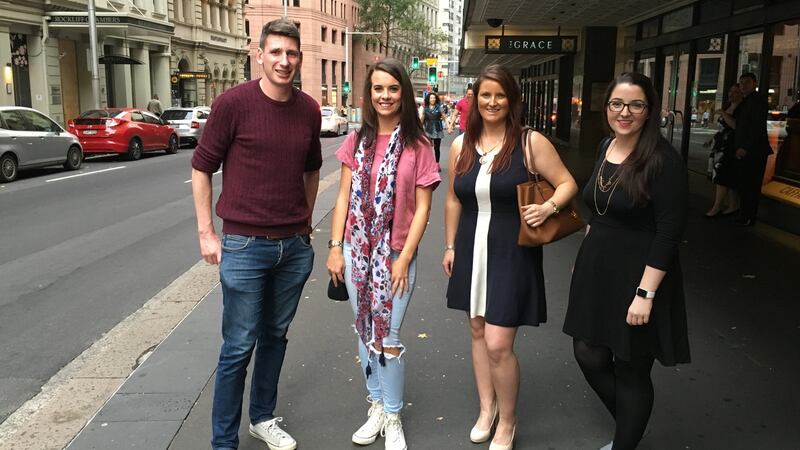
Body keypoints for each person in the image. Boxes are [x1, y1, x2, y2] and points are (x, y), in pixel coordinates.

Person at [191, 19, 321, 450]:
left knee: (275, 336)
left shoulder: (308, 109)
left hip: (294, 248)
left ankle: (262, 417)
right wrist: (207, 233)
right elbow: (201, 168)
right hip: (244, 246)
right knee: (238, 346)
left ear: (299, 57)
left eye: (292, 53)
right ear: (259, 54)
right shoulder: (233, 104)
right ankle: (223, 442)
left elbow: (312, 168)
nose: (284, 61)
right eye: (277, 52)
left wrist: (304, 223)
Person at [443, 65, 577, 450]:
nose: (492, 102)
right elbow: (453, 198)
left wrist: (549, 206)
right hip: (470, 245)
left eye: (500, 95)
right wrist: (450, 245)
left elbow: (568, 182)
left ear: (511, 100)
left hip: (511, 249)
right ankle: (487, 410)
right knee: (476, 331)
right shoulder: (460, 145)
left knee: (499, 342)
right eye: (485, 94)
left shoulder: (529, 142)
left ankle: (509, 420)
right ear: (475, 99)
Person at [563, 72, 690, 450]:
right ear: (607, 108)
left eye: (636, 105)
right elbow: (601, 211)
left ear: (649, 111)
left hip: (640, 274)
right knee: (588, 351)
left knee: (632, 366)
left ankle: (625, 442)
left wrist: (645, 294)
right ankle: (630, 425)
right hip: (598, 270)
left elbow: (668, 233)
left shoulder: (663, 160)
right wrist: (587, 254)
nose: (625, 112)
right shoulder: (606, 146)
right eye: (617, 103)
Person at [327, 58, 440, 450]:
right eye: (378, 89)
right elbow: (342, 197)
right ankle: (375, 403)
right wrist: (335, 247)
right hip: (356, 251)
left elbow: (424, 208)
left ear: (403, 94)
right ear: (369, 94)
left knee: (387, 336)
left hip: (395, 255)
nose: (385, 96)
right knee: (364, 330)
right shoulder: (356, 142)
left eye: (393, 88)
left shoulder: (418, 145)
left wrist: (405, 258)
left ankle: (392, 415)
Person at [733, 72, 773, 226]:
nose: (743, 86)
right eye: (741, 83)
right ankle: (745, 214)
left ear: (755, 83)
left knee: (751, 185)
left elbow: (755, 128)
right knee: (745, 183)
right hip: (749, 150)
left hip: (754, 151)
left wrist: (744, 147)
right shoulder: (746, 100)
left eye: (747, 82)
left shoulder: (757, 101)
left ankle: (749, 216)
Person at [704, 84, 742, 217]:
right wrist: (711, 139)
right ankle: (733, 205)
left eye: (736, 92)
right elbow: (721, 129)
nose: (732, 94)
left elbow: (735, 125)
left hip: (729, 148)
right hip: (720, 146)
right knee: (728, 179)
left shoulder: (741, 109)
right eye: (730, 91)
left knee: (721, 178)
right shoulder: (728, 107)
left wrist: (723, 113)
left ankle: (717, 206)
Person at [420, 92, 447, 163]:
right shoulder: (425, 108)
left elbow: (444, 117)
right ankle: (428, 163)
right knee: (427, 148)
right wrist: (418, 127)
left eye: (434, 98)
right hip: (428, 129)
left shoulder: (439, 107)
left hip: (437, 130)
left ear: (436, 99)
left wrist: (448, 125)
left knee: (437, 148)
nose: (433, 99)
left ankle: (437, 163)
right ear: (428, 99)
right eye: (431, 98)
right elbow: (422, 119)